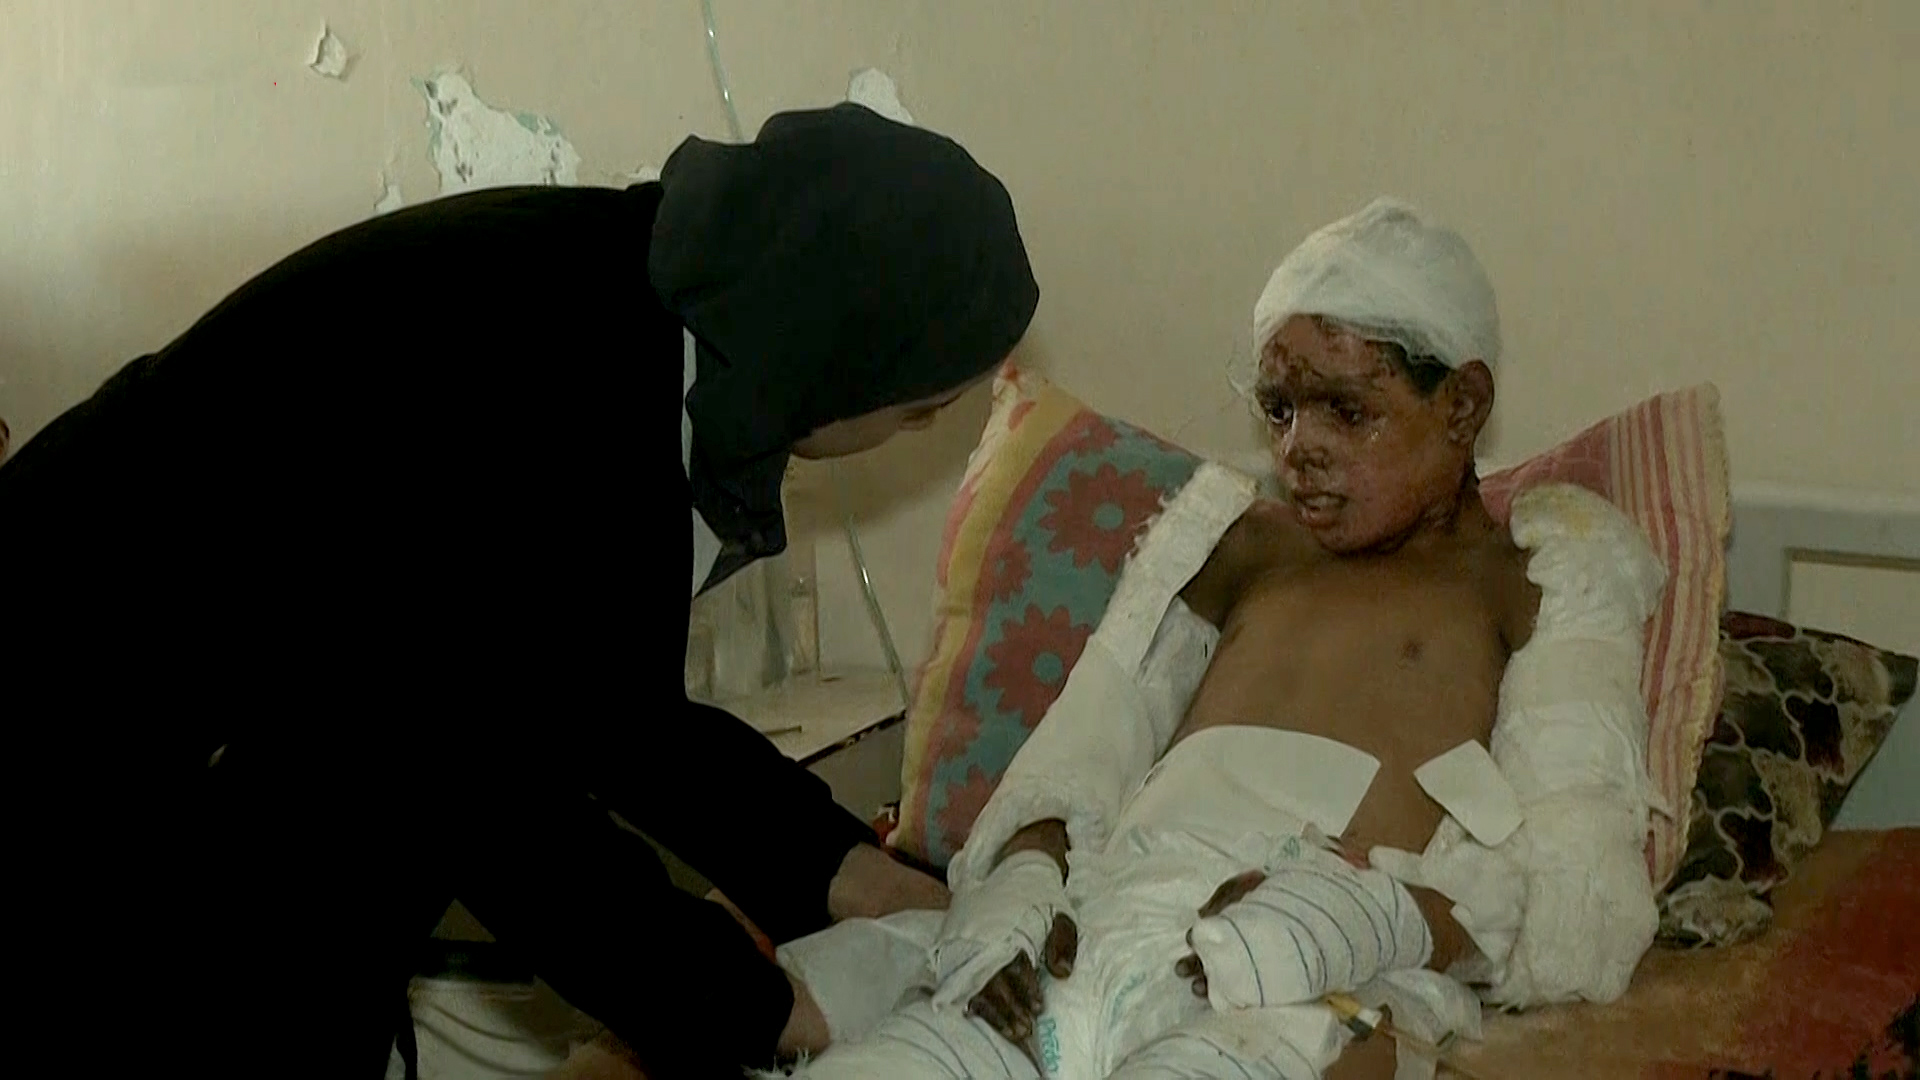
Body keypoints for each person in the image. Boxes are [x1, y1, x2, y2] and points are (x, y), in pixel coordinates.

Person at [0, 103, 1036, 1079]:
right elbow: (491, 798)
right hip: (68, 699)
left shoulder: (647, 309)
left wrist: (855, 874)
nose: (912, 432)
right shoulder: (551, 379)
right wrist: (768, 1009)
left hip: (245, 692)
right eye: (919, 408)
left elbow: (611, 711)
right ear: (843, 359)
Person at [764, 200, 1663, 1079]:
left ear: (1462, 405)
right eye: (1279, 409)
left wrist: (1373, 915)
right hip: (1098, 926)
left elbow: (1580, 908)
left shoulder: (1537, 575)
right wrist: (1023, 875)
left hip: (1315, 975)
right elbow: (1083, 747)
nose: (1299, 448)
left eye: (1347, 411)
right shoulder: (1233, 542)